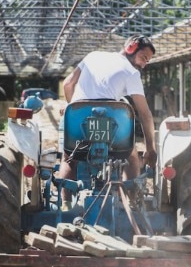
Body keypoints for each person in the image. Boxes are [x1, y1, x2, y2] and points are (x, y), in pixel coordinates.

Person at [58, 35, 158, 187]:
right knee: (131, 156)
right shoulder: (132, 73)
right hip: (111, 131)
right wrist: (150, 149)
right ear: (131, 48)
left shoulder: (93, 56)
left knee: (69, 158)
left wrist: (73, 107)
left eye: (147, 61)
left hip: (80, 125)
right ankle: (130, 199)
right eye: (143, 58)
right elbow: (144, 113)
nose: (143, 65)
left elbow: (67, 84)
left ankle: (65, 204)